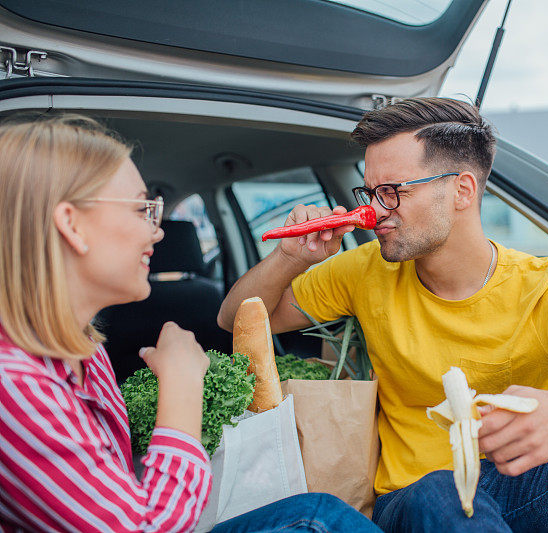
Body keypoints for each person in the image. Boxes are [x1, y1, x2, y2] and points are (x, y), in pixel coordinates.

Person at [218, 97, 548, 532]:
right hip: (414, 499)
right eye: (370, 191)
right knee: (445, 491)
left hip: (524, 484)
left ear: (462, 190)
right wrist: (289, 257)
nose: (375, 211)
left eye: (392, 192)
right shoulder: (362, 270)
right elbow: (236, 318)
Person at [0, 114, 379, 533]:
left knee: (316, 514)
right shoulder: (13, 383)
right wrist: (182, 386)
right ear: (71, 224)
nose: (158, 233)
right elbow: (143, 527)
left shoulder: (85, 349)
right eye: (142, 209)